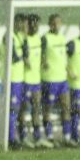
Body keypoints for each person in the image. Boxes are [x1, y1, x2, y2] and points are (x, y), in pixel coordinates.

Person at [40, 14, 75, 147]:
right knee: (47, 109)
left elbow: (63, 57)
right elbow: (42, 54)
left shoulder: (62, 38)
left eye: (58, 23)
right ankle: (49, 136)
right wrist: (44, 62)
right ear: (49, 24)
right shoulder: (45, 38)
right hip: (49, 79)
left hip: (62, 80)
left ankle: (66, 137)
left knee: (66, 107)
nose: (56, 26)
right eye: (53, 23)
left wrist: (69, 71)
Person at [23, 14, 52, 148]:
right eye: (33, 24)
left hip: (36, 81)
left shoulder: (39, 40)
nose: (36, 27)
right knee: (23, 109)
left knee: (36, 109)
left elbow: (40, 57)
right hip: (25, 80)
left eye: (37, 24)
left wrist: (43, 62)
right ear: (28, 24)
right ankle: (22, 137)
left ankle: (37, 137)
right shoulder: (24, 40)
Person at [5, 14, 29, 149]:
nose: (23, 27)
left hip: (20, 79)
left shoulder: (20, 37)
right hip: (12, 78)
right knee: (12, 110)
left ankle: (19, 137)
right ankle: (10, 139)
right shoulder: (9, 36)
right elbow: (14, 57)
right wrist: (23, 58)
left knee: (19, 109)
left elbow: (26, 55)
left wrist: (25, 39)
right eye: (22, 24)